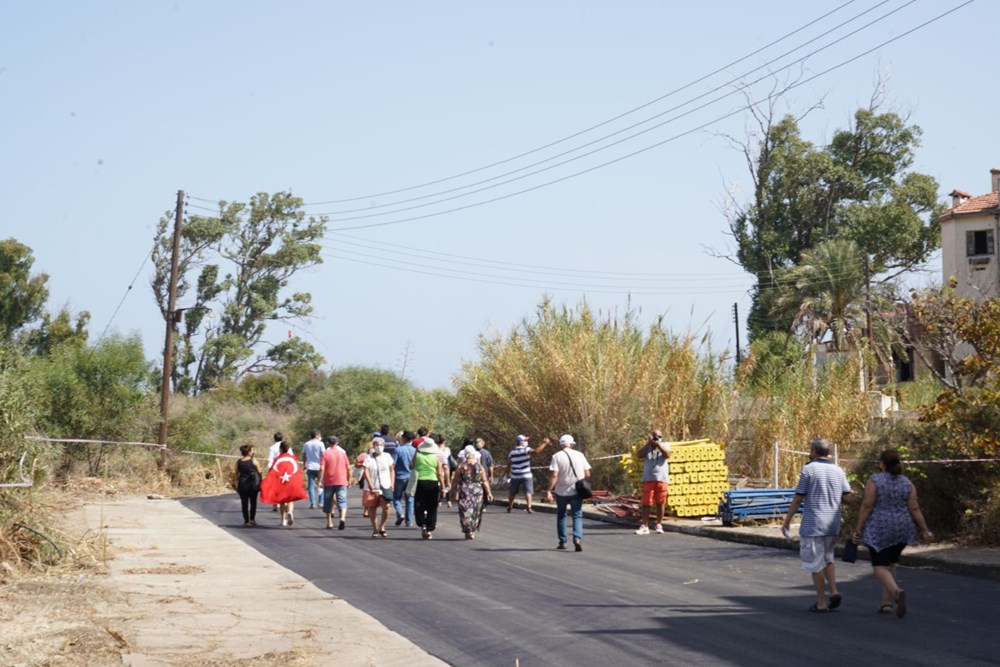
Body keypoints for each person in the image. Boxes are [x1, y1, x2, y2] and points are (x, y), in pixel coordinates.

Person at [852, 449, 934, 619]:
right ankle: (886, 603)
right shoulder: (906, 482)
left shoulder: (875, 480)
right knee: (890, 563)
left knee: (879, 566)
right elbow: (914, 508)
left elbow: (867, 505)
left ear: (882, 463)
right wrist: (925, 529)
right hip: (902, 527)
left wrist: (858, 528)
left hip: (880, 527)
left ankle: (896, 592)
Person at [781, 438, 852, 613]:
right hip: (832, 524)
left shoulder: (809, 470)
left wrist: (787, 521)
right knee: (829, 558)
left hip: (814, 524)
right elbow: (847, 497)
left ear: (813, 451)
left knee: (815, 564)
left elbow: (798, 498)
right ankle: (834, 591)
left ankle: (821, 602)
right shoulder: (838, 471)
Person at [544, 434, 592, 552]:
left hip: (561, 491)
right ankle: (577, 539)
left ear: (561, 444)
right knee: (577, 515)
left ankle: (563, 542)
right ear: (572, 444)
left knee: (561, 516)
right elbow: (587, 474)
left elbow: (554, 475)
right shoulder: (580, 455)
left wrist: (549, 490)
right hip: (577, 491)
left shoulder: (556, 456)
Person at [260, 442, 308, 526]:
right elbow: (297, 471)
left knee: (281, 501)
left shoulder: (278, 459)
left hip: (281, 482)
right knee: (290, 499)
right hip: (291, 481)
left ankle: (283, 520)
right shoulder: (292, 459)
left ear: (281, 449)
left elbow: (273, 471)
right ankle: (290, 511)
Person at [451, 444, 493, 539]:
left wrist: (452, 490)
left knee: (465, 510)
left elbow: (455, 480)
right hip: (477, 492)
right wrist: (489, 493)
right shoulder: (479, 466)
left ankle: (468, 529)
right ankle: (472, 530)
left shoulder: (461, 467)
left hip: (465, 491)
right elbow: (484, 481)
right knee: (476, 511)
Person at [635, 429, 671, 535]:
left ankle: (659, 524)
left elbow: (667, 455)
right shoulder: (647, 447)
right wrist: (649, 443)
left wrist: (658, 444)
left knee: (661, 503)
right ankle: (644, 525)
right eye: (655, 436)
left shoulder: (665, 445)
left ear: (662, 437)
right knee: (647, 503)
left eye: (659, 436)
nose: (657, 438)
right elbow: (639, 455)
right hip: (649, 478)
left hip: (661, 479)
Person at [412, 436, 446, 540]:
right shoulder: (435, 458)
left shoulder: (417, 455)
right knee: (432, 506)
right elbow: (440, 474)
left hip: (420, 481)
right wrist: (443, 487)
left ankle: (422, 523)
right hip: (433, 482)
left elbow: (411, 467)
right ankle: (429, 528)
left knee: (419, 504)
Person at [507, 434, 550, 513]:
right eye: (525, 440)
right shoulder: (526, 449)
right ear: (521, 442)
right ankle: (529, 507)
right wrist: (544, 443)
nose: (526, 442)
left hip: (515, 475)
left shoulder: (512, 452)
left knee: (512, 492)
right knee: (528, 491)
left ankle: (510, 506)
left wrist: (508, 473)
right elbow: (536, 451)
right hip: (526, 474)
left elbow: (509, 463)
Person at [362, 437, 395, 538]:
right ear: (373, 446)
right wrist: (370, 483)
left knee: (386, 507)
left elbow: (391, 470)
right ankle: (375, 529)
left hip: (385, 486)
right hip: (372, 487)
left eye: (381, 445)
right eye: (376, 445)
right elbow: (366, 470)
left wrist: (392, 482)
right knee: (372, 508)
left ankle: (382, 526)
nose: (379, 447)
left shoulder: (387, 456)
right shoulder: (369, 457)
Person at [319, 435, 351, 531]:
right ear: (337, 443)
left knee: (328, 502)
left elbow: (322, 468)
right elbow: (348, 467)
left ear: (328, 443)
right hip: (341, 480)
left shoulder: (325, 454)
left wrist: (320, 480)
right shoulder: (342, 454)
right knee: (342, 500)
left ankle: (329, 523)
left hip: (329, 481)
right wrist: (348, 479)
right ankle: (342, 518)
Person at [233, 444, 262, 527]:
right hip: (252, 485)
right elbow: (260, 472)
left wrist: (236, 483)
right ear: (249, 452)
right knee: (253, 503)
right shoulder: (254, 461)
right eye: (252, 450)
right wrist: (260, 482)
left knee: (244, 503)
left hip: (242, 485)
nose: (253, 452)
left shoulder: (238, 462)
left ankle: (246, 521)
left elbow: (236, 473)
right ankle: (252, 519)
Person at [392, 430, 417, 527]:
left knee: (396, 498)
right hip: (411, 477)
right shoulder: (415, 450)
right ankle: (409, 521)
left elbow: (393, 464)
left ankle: (400, 514)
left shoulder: (398, 450)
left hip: (399, 476)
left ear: (403, 438)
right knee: (410, 499)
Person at [301, 429, 324, 510]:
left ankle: (313, 503)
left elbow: (304, 455)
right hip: (319, 467)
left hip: (310, 466)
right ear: (317, 435)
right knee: (321, 484)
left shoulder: (306, 444)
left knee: (311, 485)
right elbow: (323, 455)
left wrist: (304, 464)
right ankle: (321, 502)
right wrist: (322, 464)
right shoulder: (321, 444)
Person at [433, 432, 454, 508]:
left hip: (435, 471)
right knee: (445, 485)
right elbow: (447, 463)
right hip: (445, 470)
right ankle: (448, 501)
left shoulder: (433, 450)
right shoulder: (446, 450)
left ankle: (438, 501)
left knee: (438, 486)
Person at [267, 432, 284, 512]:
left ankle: (275, 504)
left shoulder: (272, 448)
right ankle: (285, 502)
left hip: (276, 468)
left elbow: (270, 460)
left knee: (275, 486)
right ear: (282, 438)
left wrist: (270, 470)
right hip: (285, 468)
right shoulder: (286, 446)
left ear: (274, 439)